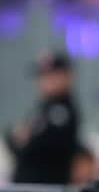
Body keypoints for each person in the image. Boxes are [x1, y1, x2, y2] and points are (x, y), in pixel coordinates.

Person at [4, 51, 80, 184]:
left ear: (66, 76)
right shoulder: (40, 109)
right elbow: (11, 138)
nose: (45, 81)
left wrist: (26, 139)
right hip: (28, 190)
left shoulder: (64, 111)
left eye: (51, 75)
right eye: (42, 76)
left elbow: (40, 149)